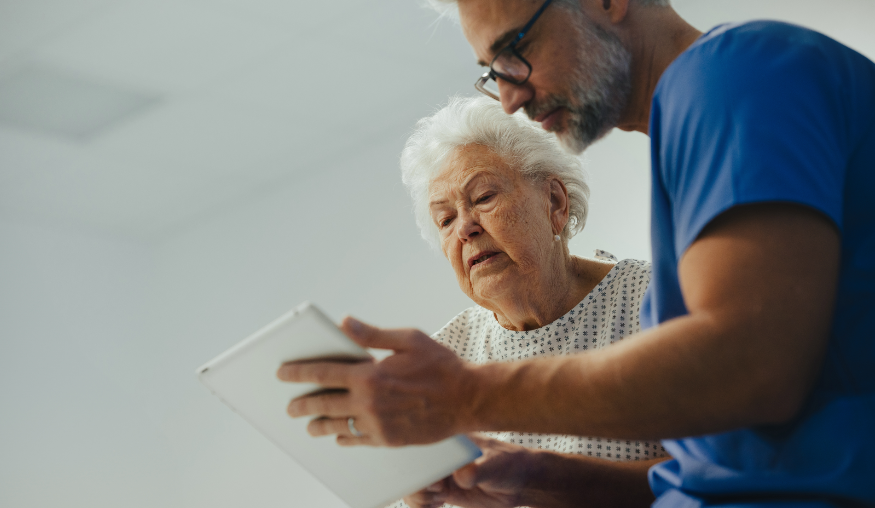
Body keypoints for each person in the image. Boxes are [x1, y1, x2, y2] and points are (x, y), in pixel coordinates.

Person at [278, 0, 875, 506]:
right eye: (492, 72)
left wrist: (465, 396)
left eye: (516, 48)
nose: (509, 96)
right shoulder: (689, 124)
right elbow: (697, 476)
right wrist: (528, 475)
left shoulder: (735, 76)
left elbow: (751, 367)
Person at [387, 96, 665, 508]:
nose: (464, 228)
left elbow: (728, 472)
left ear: (554, 202)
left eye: (483, 197)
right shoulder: (445, 357)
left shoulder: (655, 299)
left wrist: (543, 480)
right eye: (445, 219)